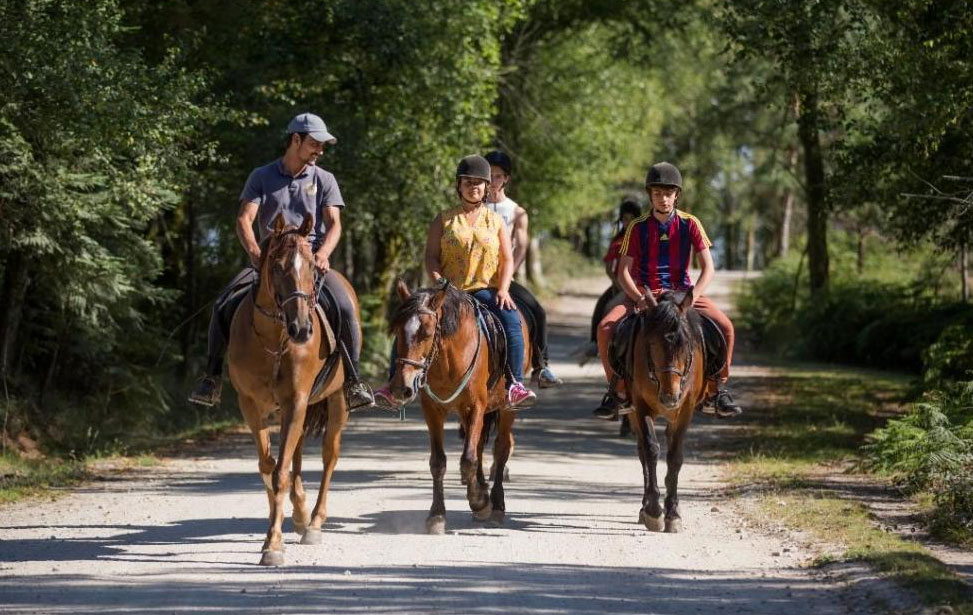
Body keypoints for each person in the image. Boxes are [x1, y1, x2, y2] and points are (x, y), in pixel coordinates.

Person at [188, 113, 374, 410]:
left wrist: (323, 254)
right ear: (295, 140)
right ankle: (211, 378)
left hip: (310, 261)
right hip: (269, 262)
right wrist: (255, 254)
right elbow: (244, 219)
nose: (320, 151)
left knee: (344, 306)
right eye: (314, 144)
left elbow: (334, 224)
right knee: (223, 303)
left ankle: (353, 381)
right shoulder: (261, 177)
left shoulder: (324, 179)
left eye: (322, 146)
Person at [374, 155, 536, 409]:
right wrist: (438, 281)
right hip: (448, 291)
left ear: (486, 187)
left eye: (479, 183)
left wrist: (503, 289)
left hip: (485, 289)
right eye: (468, 181)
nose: (474, 186)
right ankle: (393, 384)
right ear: (458, 186)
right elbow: (430, 256)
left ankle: (515, 384)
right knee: (412, 319)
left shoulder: (496, 222)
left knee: (512, 322)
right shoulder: (443, 219)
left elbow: (506, 259)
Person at [595, 162, 742, 419]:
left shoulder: (691, 224)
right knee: (606, 327)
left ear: (677, 195)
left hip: (682, 293)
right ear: (650, 195)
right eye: (657, 194)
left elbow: (708, 267)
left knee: (726, 327)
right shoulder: (637, 227)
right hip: (646, 293)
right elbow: (623, 272)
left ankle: (717, 389)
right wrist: (639, 297)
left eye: (667, 193)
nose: (663, 199)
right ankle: (617, 391)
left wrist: (693, 296)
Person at [483, 150, 561, 388]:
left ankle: (541, 366)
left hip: (504, 278)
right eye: (490, 176)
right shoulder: (475, 206)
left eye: (498, 176)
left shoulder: (517, 212)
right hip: (474, 278)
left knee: (537, 311)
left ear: (506, 179)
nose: (494, 181)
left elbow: (520, 249)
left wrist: (506, 277)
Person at [583, 198, 642, 360]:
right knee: (602, 305)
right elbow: (609, 268)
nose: (627, 222)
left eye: (631, 218)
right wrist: (618, 284)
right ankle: (594, 342)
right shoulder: (617, 241)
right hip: (620, 285)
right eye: (624, 218)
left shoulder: (645, 238)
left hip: (642, 284)